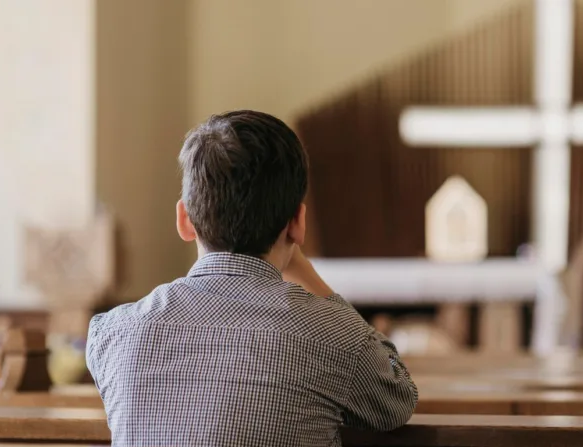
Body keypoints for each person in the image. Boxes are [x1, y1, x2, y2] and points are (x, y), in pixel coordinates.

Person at [86, 110, 418, 447]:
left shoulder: (114, 333)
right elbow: (397, 400)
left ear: (184, 219)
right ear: (297, 223)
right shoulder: (334, 335)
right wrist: (311, 278)